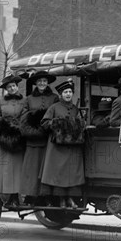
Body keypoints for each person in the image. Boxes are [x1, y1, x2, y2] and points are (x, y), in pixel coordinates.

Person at [40, 79, 85, 208]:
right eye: (65, 92)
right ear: (60, 94)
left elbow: (80, 124)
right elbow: (44, 123)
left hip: (72, 148)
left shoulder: (76, 109)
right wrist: (58, 124)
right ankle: (60, 200)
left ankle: (70, 199)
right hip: (57, 149)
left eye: (70, 92)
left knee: (70, 175)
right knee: (59, 175)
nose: (68, 94)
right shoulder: (54, 108)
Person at [19, 70, 58, 205]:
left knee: (47, 168)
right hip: (33, 139)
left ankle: (46, 196)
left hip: (48, 139)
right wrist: (33, 130)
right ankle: (31, 196)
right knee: (32, 168)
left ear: (48, 83)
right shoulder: (28, 99)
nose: (42, 83)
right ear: (36, 83)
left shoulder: (54, 98)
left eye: (44, 81)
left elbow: (57, 115)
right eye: (40, 81)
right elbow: (24, 118)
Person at [0, 74, 26, 207]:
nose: (12, 88)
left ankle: (17, 197)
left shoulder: (24, 100)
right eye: (9, 87)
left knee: (18, 170)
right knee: (6, 171)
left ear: (17, 86)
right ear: (6, 89)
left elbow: (26, 117)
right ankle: (7, 198)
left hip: (19, 141)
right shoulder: (1, 102)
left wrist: (19, 130)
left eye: (13, 86)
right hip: (5, 142)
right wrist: (4, 133)